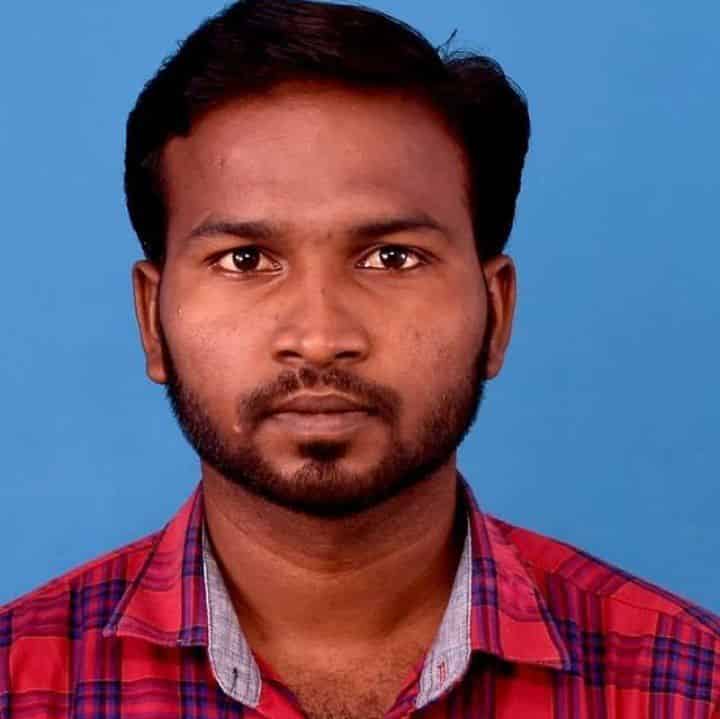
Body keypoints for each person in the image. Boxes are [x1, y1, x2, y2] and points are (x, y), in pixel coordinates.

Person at [1, 1, 718, 717]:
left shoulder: (689, 686)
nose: (319, 336)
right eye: (245, 259)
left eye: (392, 257)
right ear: (151, 320)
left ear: (496, 312)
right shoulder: (20, 685)